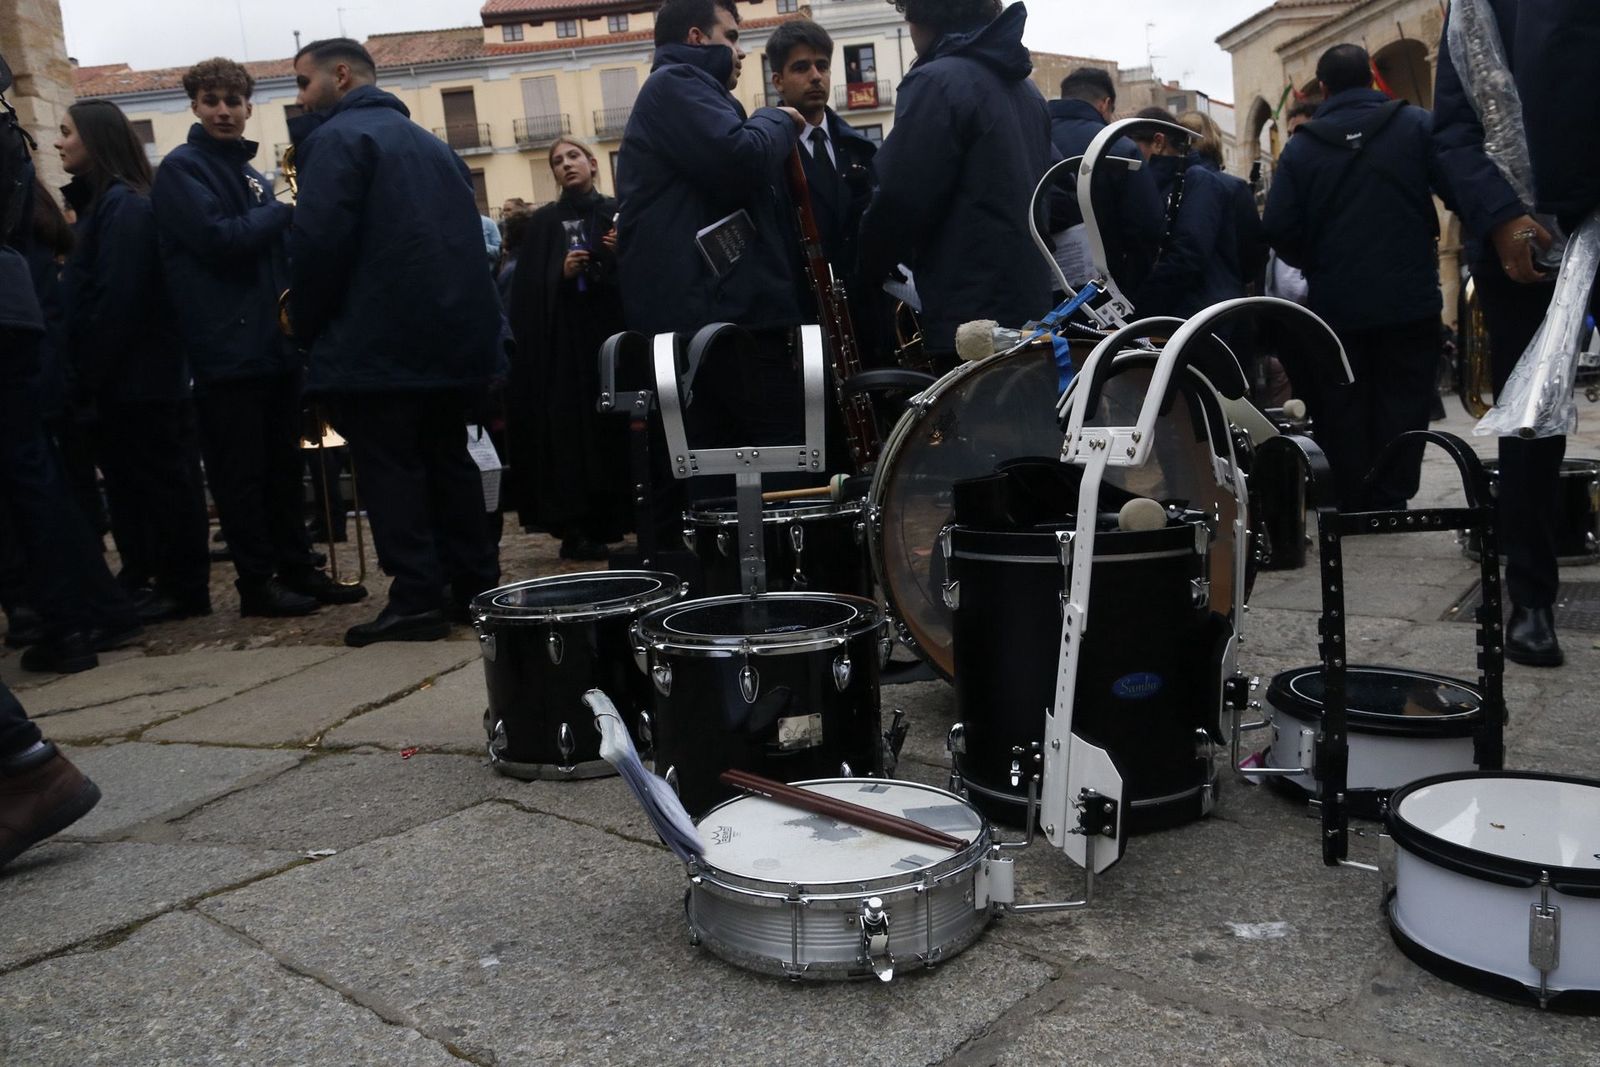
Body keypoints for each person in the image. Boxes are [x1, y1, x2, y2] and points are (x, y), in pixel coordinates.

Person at [287, 38, 501, 645]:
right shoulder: (436, 147)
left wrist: (308, 327)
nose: (301, 99)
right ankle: (474, 588)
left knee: (391, 471)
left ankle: (416, 598)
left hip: (376, 344)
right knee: (447, 463)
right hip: (450, 343)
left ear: (342, 76)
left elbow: (319, 248)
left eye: (304, 84)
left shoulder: (335, 141)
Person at [152, 57, 362, 619]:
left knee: (281, 472)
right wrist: (288, 209)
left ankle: (298, 569)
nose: (224, 111)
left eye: (233, 101)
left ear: (248, 107)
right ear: (195, 106)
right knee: (241, 476)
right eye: (212, 101)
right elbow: (220, 241)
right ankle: (257, 584)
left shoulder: (253, 176)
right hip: (226, 353)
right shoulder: (181, 169)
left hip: (272, 347)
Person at [1433, 0, 1600, 667]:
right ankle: (1530, 598)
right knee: (1532, 424)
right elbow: (1451, 132)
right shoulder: (1479, 6)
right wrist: (1500, 216)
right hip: (1524, 231)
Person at [1262, 44, 1452, 512]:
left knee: (1344, 399)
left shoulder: (1301, 149)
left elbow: (1279, 228)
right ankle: (1393, 492)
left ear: (1322, 89)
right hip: (1409, 295)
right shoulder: (1416, 126)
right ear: (1371, 77)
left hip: (1337, 302)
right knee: (1405, 395)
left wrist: (1318, 261)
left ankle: (1352, 493)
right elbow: (1453, 184)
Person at [56, 99, 212, 624]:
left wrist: (89, 374)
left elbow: (116, 301)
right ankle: (154, 577)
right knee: (136, 483)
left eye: (67, 132)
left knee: (162, 484)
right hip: (131, 377)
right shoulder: (111, 205)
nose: (59, 143)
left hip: (139, 380)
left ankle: (181, 587)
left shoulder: (124, 207)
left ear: (95, 140)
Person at [858, 0, 1053, 366]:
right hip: (1028, 307)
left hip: (969, 318)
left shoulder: (936, 82)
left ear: (926, 16)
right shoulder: (1028, 92)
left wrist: (867, 265)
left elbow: (899, 198)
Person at [506, 138, 629, 560]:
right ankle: (575, 526)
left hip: (611, 339)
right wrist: (558, 274)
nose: (566, 165)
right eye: (557, 161)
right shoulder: (544, 223)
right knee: (571, 435)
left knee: (612, 428)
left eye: (573, 156)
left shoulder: (616, 212)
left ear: (593, 164)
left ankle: (615, 518)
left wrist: (620, 255)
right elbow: (524, 293)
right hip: (565, 348)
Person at [1047, 67, 1163, 294]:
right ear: (1104, 104)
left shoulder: (1032, 136)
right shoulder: (1118, 147)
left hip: (1039, 287)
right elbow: (1147, 227)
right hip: (1103, 292)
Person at [1128, 107, 1243, 320]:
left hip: (1200, 317)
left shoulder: (1199, 180)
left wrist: (1140, 307)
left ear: (1158, 142)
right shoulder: (1152, 185)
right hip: (1176, 314)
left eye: (1134, 146)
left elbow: (1187, 256)